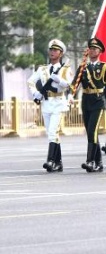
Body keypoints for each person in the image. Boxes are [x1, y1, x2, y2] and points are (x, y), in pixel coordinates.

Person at [27, 39, 73, 173]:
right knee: (51, 133)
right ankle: (58, 163)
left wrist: (59, 79)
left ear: (61, 53)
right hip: (46, 103)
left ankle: (51, 161)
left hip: (58, 103)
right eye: (51, 50)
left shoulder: (65, 69)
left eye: (55, 50)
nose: (52, 52)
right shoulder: (42, 69)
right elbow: (30, 81)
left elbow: (70, 84)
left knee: (53, 132)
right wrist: (35, 93)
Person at [71, 37, 106, 172]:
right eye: (90, 49)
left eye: (95, 49)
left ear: (100, 51)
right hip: (86, 100)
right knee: (91, 133)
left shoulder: (105, 67)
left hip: (98, 101)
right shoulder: (82, 67)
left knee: (92, 131)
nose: (92, 51)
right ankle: (98, 162)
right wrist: (70, 95)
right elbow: (75, 84)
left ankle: (90, 161)